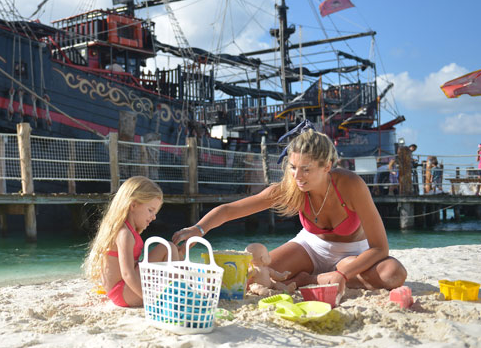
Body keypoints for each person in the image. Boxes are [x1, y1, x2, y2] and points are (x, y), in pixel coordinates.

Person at [172, 121, 407, 293]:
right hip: (310, 247)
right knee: (254, 277)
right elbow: (230, 210)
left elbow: (379, 248)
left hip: (353, 252)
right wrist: (198, 229)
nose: (297, 176)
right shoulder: (290, 188)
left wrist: (342, 273)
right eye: (293, 167)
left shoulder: (351, 185)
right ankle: (310, 277)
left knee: (393, 274)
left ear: (326, 166)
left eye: (306, 169)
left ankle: (312, 279)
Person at [83, 176, 180, 307]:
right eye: (150, 210)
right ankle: (177, 292)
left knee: (168, 248)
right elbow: (127, 273)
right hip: (122, 291)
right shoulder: (124, 234)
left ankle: (177, 287)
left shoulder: (127, 230)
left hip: (124, 289)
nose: (154, 216)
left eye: (155, 212)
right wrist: (151, 300)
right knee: (168, 247)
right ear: (133, 205)